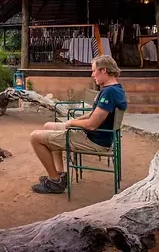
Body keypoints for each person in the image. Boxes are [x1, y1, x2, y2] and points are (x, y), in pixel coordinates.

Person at [29, 55, 127, 194]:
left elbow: (92, 124)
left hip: (93, 140)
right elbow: (94, 113)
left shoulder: (109, 93)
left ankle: (54, 182)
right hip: (96, 136)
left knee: (34, 137)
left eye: (94, 71)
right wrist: (75, 121)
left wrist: (72, 123)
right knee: (48, 126)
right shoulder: (115, 89)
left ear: (104, 70)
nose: (92, 75)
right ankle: (59, 174)